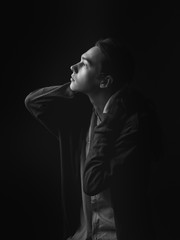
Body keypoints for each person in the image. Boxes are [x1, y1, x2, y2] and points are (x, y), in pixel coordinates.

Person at [25, 38, 160, 240]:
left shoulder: (133, 126)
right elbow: (34, 102)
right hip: (81, 236)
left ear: (105, 81)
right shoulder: (80, 120)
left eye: (85, 64)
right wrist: (79, 86)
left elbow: (92, 182)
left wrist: (109, 116)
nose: (73, 66)